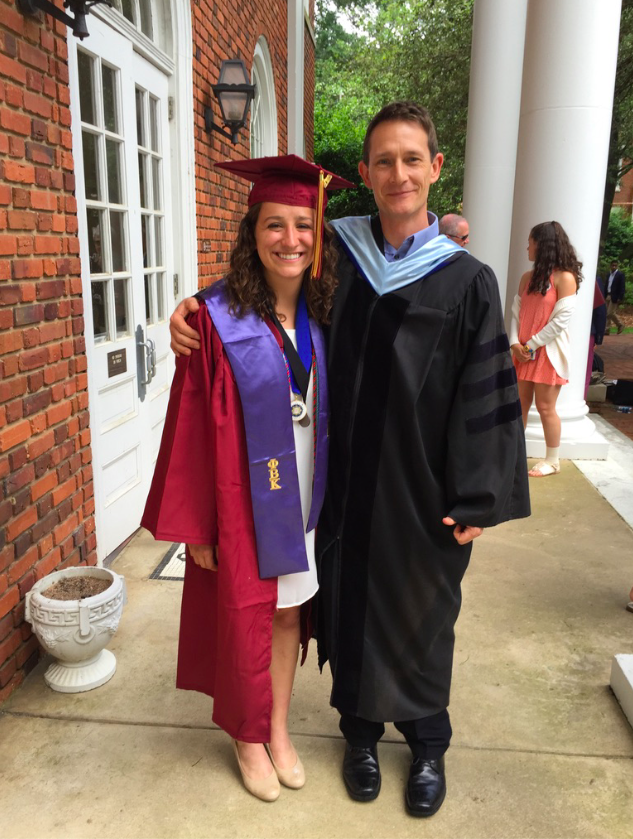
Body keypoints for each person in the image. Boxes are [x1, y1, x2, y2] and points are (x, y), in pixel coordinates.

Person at [169, 101, 530, 818]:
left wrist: (479, 495)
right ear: (363, 174)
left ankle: (427, 742)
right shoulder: (339, 252)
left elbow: (484, 390)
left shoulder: (466, 280)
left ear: (434, 168)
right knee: (352, 606)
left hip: (423, 487)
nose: (397, 173)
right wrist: (191, 311)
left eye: (410, 159)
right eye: (383, 161)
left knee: (424, 610)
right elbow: (263, 281)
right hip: (335, 483)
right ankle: (360, 735)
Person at [142, 156, 352, 802]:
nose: (289, 239)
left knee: (289, 615)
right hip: (241, 504)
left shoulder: (328, 313)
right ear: (251, 231)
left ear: (318, 238)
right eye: (274, 225)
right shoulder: (212, 319)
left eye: (302, 226)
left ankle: (278, 727)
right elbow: (187, 429)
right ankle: (245, 735)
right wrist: (195, 525)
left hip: (304, 504)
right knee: (244, 618)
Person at [509, 221, 582, 478]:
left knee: (545, 407)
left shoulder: (565, 278)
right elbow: (516, 313)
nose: (527, 246)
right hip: (523, 352)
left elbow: (560, 321)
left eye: (531, 241)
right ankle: (513, 456)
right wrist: (514, 343)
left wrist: (529, 345)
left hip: (546, 355)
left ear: (542, 245)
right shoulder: (527, 278)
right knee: (518, 405)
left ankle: (552, 460)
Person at [585, 277, 607, 398]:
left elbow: (600, 310)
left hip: (585, 332)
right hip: (586, 332)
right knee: (583, 375)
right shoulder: (592, 276)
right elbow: (600, 311)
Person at [604, 259, 625, 334]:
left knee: (610, 313)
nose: (614, 267)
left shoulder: (620, 275)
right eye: (612, 265)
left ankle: (620, 324)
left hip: (615, 296)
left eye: (615, 266)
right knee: (606, 313)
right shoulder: (609, 274)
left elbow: (622, 287)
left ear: (617, 266)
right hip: (608, 295)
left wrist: (620, 297)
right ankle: (607, 329)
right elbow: (606, 285)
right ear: (610, 266)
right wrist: (604, 295)